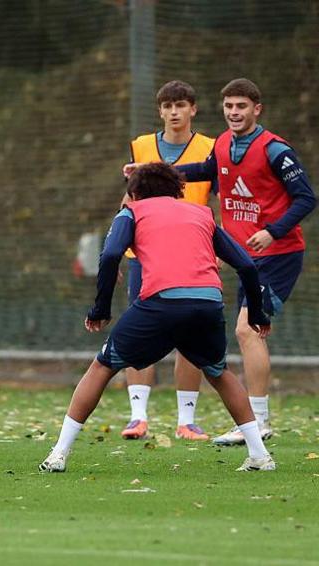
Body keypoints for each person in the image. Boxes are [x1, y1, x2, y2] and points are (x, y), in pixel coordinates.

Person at [40, 162, 274, 473]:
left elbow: (110, 256)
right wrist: (257, 313)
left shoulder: (132, 212)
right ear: (177, 190)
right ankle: (259, 455)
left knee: (103, 366)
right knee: (219, 373)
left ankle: (59, 453)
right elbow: (246, 265)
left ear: (134, 194)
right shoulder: (201, 213)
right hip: (207, 304)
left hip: (160, 304)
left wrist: (100, 310)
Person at [125, 78, 315, 445]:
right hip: (248, 258)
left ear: (256, 109)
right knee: (249, 332)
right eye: (228, 107)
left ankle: (258, 421)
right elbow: (203, 171)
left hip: (278, 254)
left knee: (247, 330)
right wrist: (148, 174)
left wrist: (273, 231)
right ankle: (255, 421)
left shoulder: (275, 150)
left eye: (241, 107)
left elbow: (306, 198)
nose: (234, 113)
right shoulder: (225, 144)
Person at [119, 81, 216, 442]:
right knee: (138, 330)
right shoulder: (142, 146)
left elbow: (216, 203)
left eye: (181, 105)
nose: (174, 112)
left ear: (193, 109)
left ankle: (186, 420)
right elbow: (128, 199)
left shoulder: (210, 149)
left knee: (190, 335)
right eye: (167, 106)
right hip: (145, 255)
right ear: (159, 111)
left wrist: (218, 248)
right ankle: (137, 415)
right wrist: (119, 247)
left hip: (192, 254)